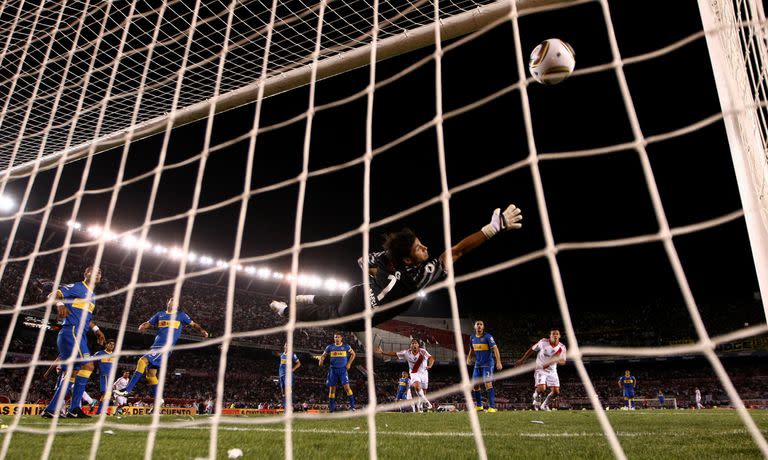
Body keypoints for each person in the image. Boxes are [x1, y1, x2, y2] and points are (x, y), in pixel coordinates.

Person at [269, 205, 523, 330]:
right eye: (420, 248)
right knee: (322, 317)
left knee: (335, 299)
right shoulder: (420, 277)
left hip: (356, 295)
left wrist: (377, 277)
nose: (426, 248)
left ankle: (305, 296)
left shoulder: (385, 257)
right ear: (410, 260)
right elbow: (459, 250)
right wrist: (492, 229)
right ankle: (286, 310)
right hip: (359, 316)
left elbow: (361, 261)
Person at [42, 266, 105, 419]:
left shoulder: (93, 297)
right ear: (86, 273)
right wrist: (60, 304)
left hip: (80, 334)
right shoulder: (77, 287)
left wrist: (96, 330)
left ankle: (52, 409)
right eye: (94, 271)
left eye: (99, 273)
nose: (97, 274)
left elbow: (87, 318)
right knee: (88, 365)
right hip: (71, 331)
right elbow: (53, 295)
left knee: (73, 372)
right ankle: (74, 407)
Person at [114, 296, 208, 399]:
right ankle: (158, 400)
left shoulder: (181, 315)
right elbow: (148, 323)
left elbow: (194, 324)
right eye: (172, 300)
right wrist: (143, 326)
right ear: (167, 302)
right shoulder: (160, 314)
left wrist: (202, 330)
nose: (173, 302)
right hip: (155, 346)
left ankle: (127, 390)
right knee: (150, 375)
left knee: (142, 361)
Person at [376, 338, 434, 412]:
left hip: (424, 373)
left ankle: (420, 407)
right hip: (414, 373)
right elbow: (395, 354)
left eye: (415, 343)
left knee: (423, 392)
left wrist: (430, 365)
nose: (414, 344)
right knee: (417, 387)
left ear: (418, 345)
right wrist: (383, 353)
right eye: (412, 343)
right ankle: (427, 403)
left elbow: (431, 358)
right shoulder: (406, 352)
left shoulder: (423, 351)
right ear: (410, 346)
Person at [516, 328, 566, 411]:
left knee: (556, 392)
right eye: (553, 334)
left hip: (552, 371)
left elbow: (563, 362)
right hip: (541, 369)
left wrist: (555, 360)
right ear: (550, 336)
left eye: (557, 334)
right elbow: (531, 349)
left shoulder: (562, 347)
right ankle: (536, 394)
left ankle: (544, 405)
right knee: (542, 389)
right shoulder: (543, 342)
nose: (555, 335)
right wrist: (522, 360)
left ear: (559, 336)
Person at [466, 320, 502, 413]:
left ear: (483, 327)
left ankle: (492, 407)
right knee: (475, 385)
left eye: (481, 324)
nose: (479, 326)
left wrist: (498, 362)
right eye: (477, 324)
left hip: (488, 364)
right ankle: (479, 406)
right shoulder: (472, 338)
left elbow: (495, 348)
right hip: (478, 365)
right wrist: (468, 358)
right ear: (474, 326)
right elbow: (471, 349)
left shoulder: (488, 337)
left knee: (488, 384)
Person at [318, 332, 356, 412]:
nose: (336, 339)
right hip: (333, 370)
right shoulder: (330, 347)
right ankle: (331, 409)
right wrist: (321, 361)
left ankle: (353, 407)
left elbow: (353, 354)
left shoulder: (346, 346)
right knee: (332, 389)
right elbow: (323, 355)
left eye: (338, 337)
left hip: (343, 370)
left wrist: (349, 363)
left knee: (347, 388)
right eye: (335, 337)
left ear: (341, 338)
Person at [91, 339, 116, 414]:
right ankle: (100, 411)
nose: (112, 346)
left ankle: (100, 411)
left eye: (113, 344)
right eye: (110, 344)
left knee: (107, 394)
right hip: (104, 375)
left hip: (111, 377)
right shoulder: (100, 353)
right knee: (106, 393)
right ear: (106, 345)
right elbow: (91, 359)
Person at [279, 343, 301, 409]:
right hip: (281, 375)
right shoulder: (282, 355)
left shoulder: (292, 355)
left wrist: (292, 369)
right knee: (283, 391)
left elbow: (299, 364)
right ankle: (285, 406)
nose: (287, 347)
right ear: (284, 346)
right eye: (286, 345)